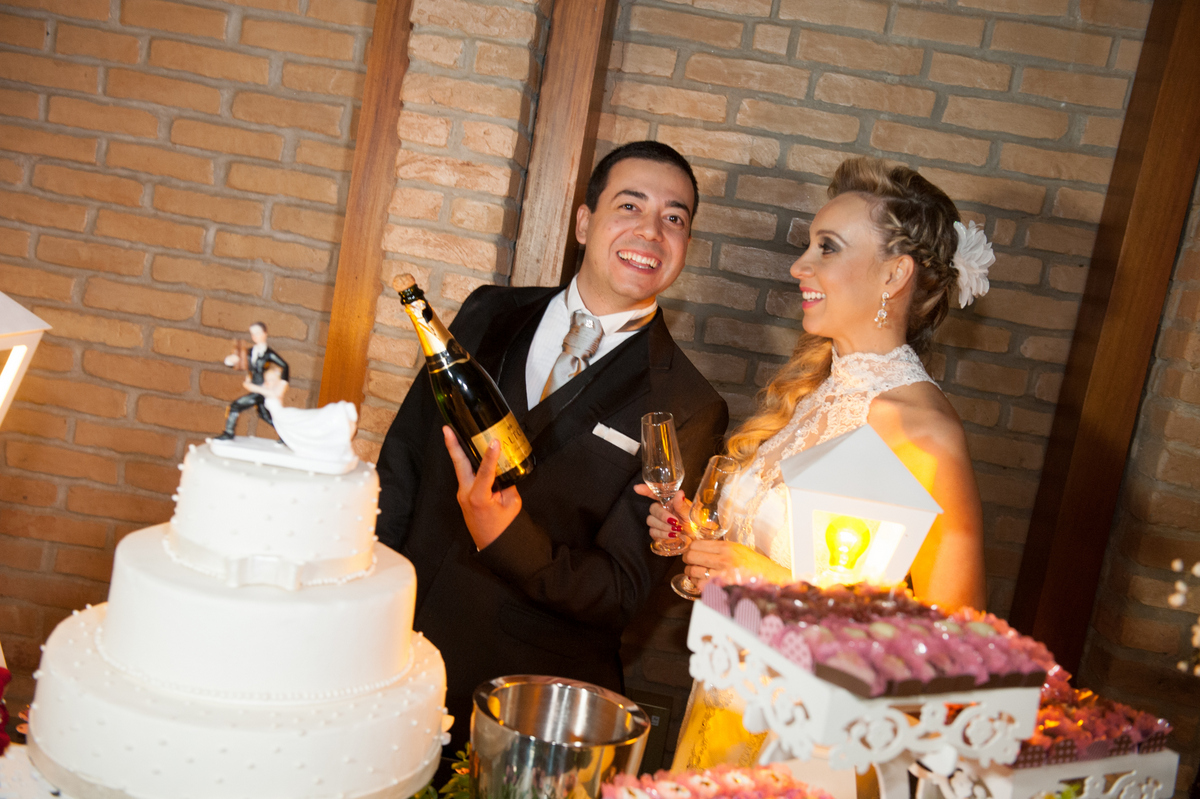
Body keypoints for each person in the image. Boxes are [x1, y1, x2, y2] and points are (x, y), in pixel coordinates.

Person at [375, 141, 729, 759]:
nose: (651, 230)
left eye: (675, 218)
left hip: (525, 704)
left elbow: (620, 589)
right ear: (585, 222)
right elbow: (404, 460)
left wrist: (505, 532)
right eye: (630, 205)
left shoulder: (689, 403)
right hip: (392, 652)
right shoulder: (491, 311)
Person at [642, 157, 990, 768]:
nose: (799, 266)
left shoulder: (922, 430)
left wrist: (772, 589)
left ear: (894, 274)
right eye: (808, 246)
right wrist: (708, 546)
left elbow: (955, 664)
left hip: (808, 745)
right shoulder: (815, 392)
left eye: (826, 248)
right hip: (723, 712)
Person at [216, 322, 289, 440]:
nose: (255, 336)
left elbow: (285, 366)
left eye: (258, 333)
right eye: (253, 334)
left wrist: (283, 384)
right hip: (253, 387)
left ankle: (229, 432)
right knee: (265, 415)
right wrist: (230, 360)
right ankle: (286, 435)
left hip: (261, 389)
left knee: (235, 406)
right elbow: (237, 362)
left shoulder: (268, 354)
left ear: (265, 334)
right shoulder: (250, 352)